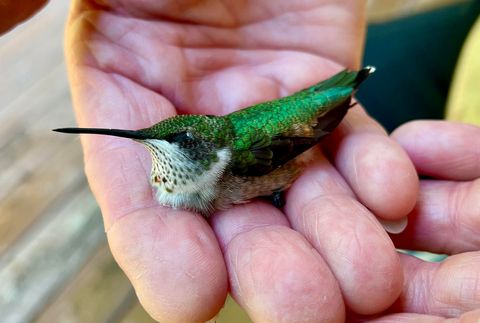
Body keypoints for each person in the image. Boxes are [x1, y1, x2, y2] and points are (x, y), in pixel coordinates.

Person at [4, 1, 479, 322]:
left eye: (179, 142)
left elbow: (299, 141)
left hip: (299, 121)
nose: (151, 144)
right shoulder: (187, 161)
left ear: (206, 152)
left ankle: (350, 83)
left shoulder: (239, 160)